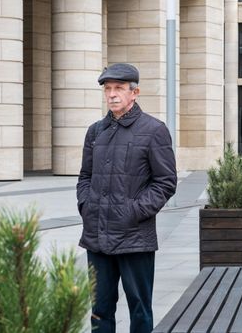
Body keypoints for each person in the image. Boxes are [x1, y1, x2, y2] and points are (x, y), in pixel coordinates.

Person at [76, 63, 177, 333]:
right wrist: (87, 206)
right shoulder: (95, 131)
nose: (112, 94)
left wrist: (131, 212)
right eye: (107, 89)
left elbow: (166, 182)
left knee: (140, 309)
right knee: (99, 311)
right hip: (96, 238)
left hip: (135, 238)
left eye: (119, 88)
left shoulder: (154, 130)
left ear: (135, 92)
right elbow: (85, 176)